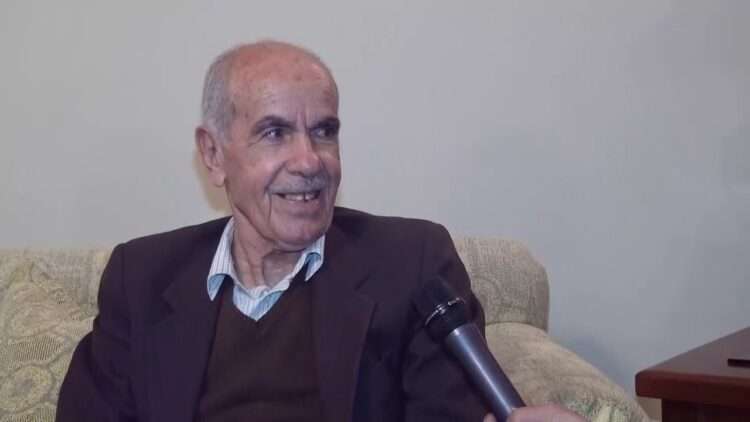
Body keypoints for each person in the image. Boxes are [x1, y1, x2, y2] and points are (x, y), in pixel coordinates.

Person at [57, 41, 585, 422]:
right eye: (275, 132)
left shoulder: (413, 264)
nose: (310, 160)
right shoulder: (141, 277)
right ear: (213, 155)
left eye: (324, 132)